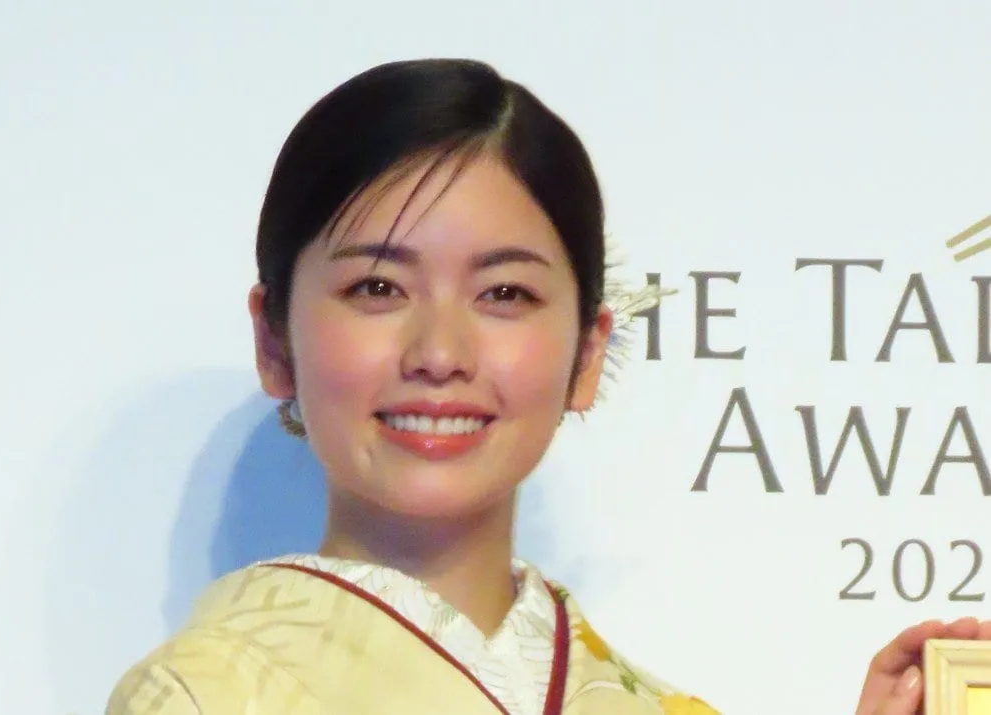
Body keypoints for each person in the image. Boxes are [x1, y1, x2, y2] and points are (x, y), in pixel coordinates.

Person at [105, 58, 990, 715]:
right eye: (377, 287)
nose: (440, 351)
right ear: (274, 339)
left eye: (504, 294)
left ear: (587, 352)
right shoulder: (202, 695)